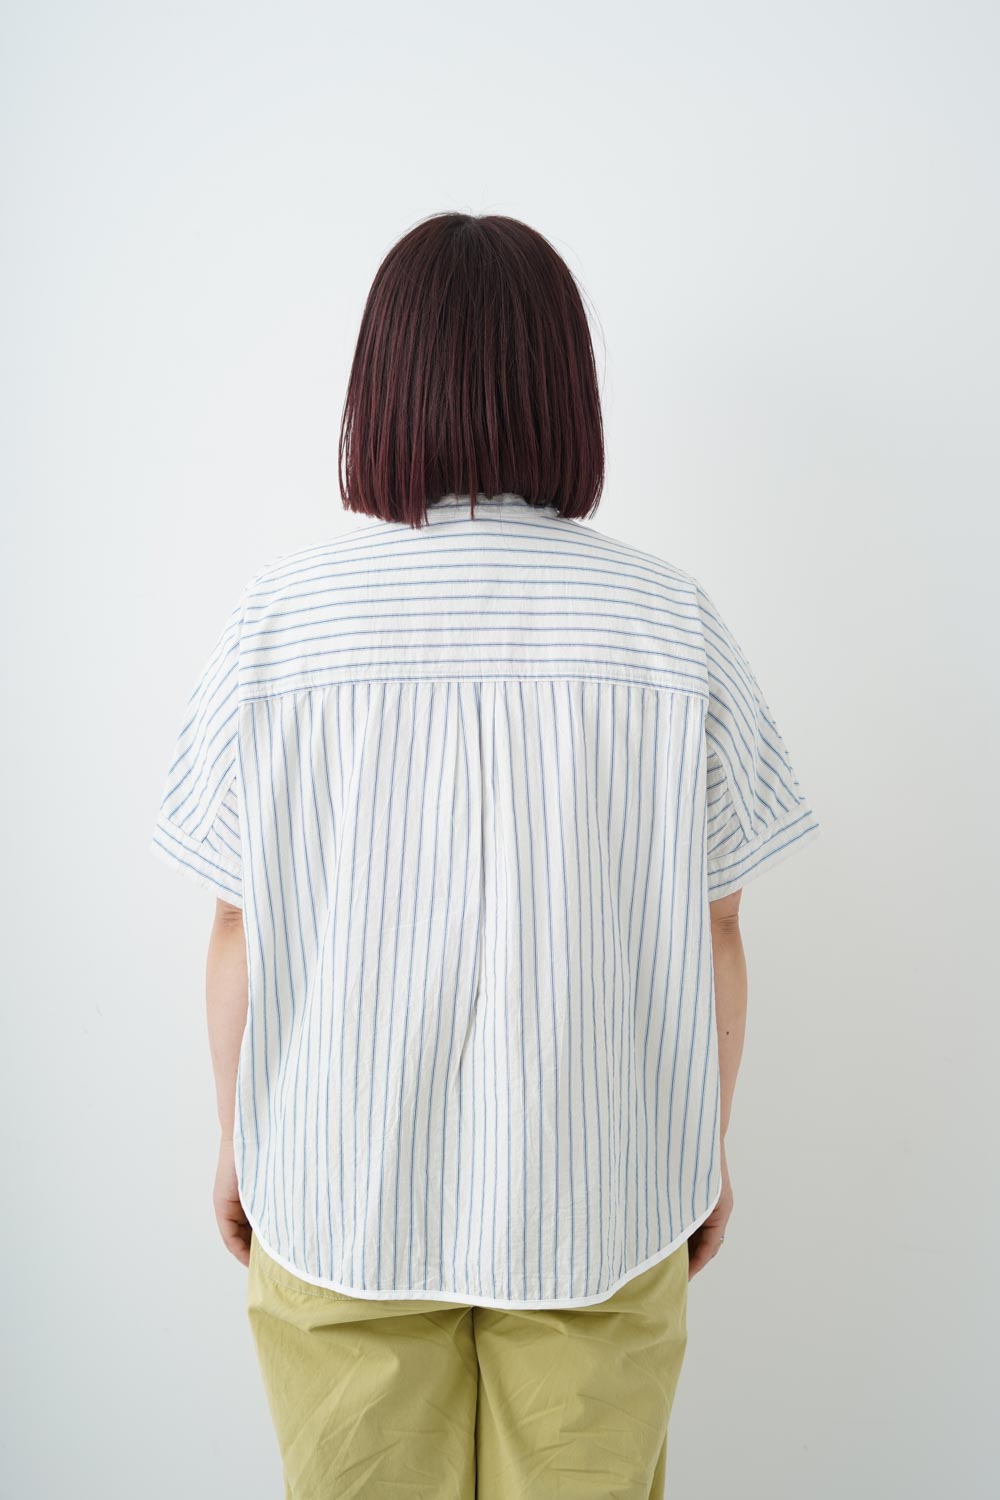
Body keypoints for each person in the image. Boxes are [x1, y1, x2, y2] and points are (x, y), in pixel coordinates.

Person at [150, 211, 821, 1499]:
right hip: (600, 1194)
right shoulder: (669, 622)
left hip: (338, 1189)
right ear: (565, 389)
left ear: (381, 388)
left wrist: (238, 1140)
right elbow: (717, 926)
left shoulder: (279, 624)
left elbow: (239, 925)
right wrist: (704, 1146)